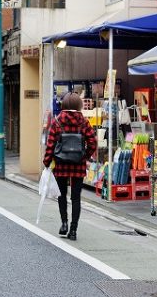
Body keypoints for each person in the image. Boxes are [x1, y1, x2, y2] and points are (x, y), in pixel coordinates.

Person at [42, 92, 97, 241]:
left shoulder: (57, 121)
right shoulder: (84, 122)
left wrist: (47, 162)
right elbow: (93, 142)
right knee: (76, 198)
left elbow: (50, 145)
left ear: (64, 105)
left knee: (62, 195)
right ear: (79, 105)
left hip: (61, 164)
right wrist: (84, 156)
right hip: (78, 165)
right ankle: (73, 230)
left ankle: (64, 223)